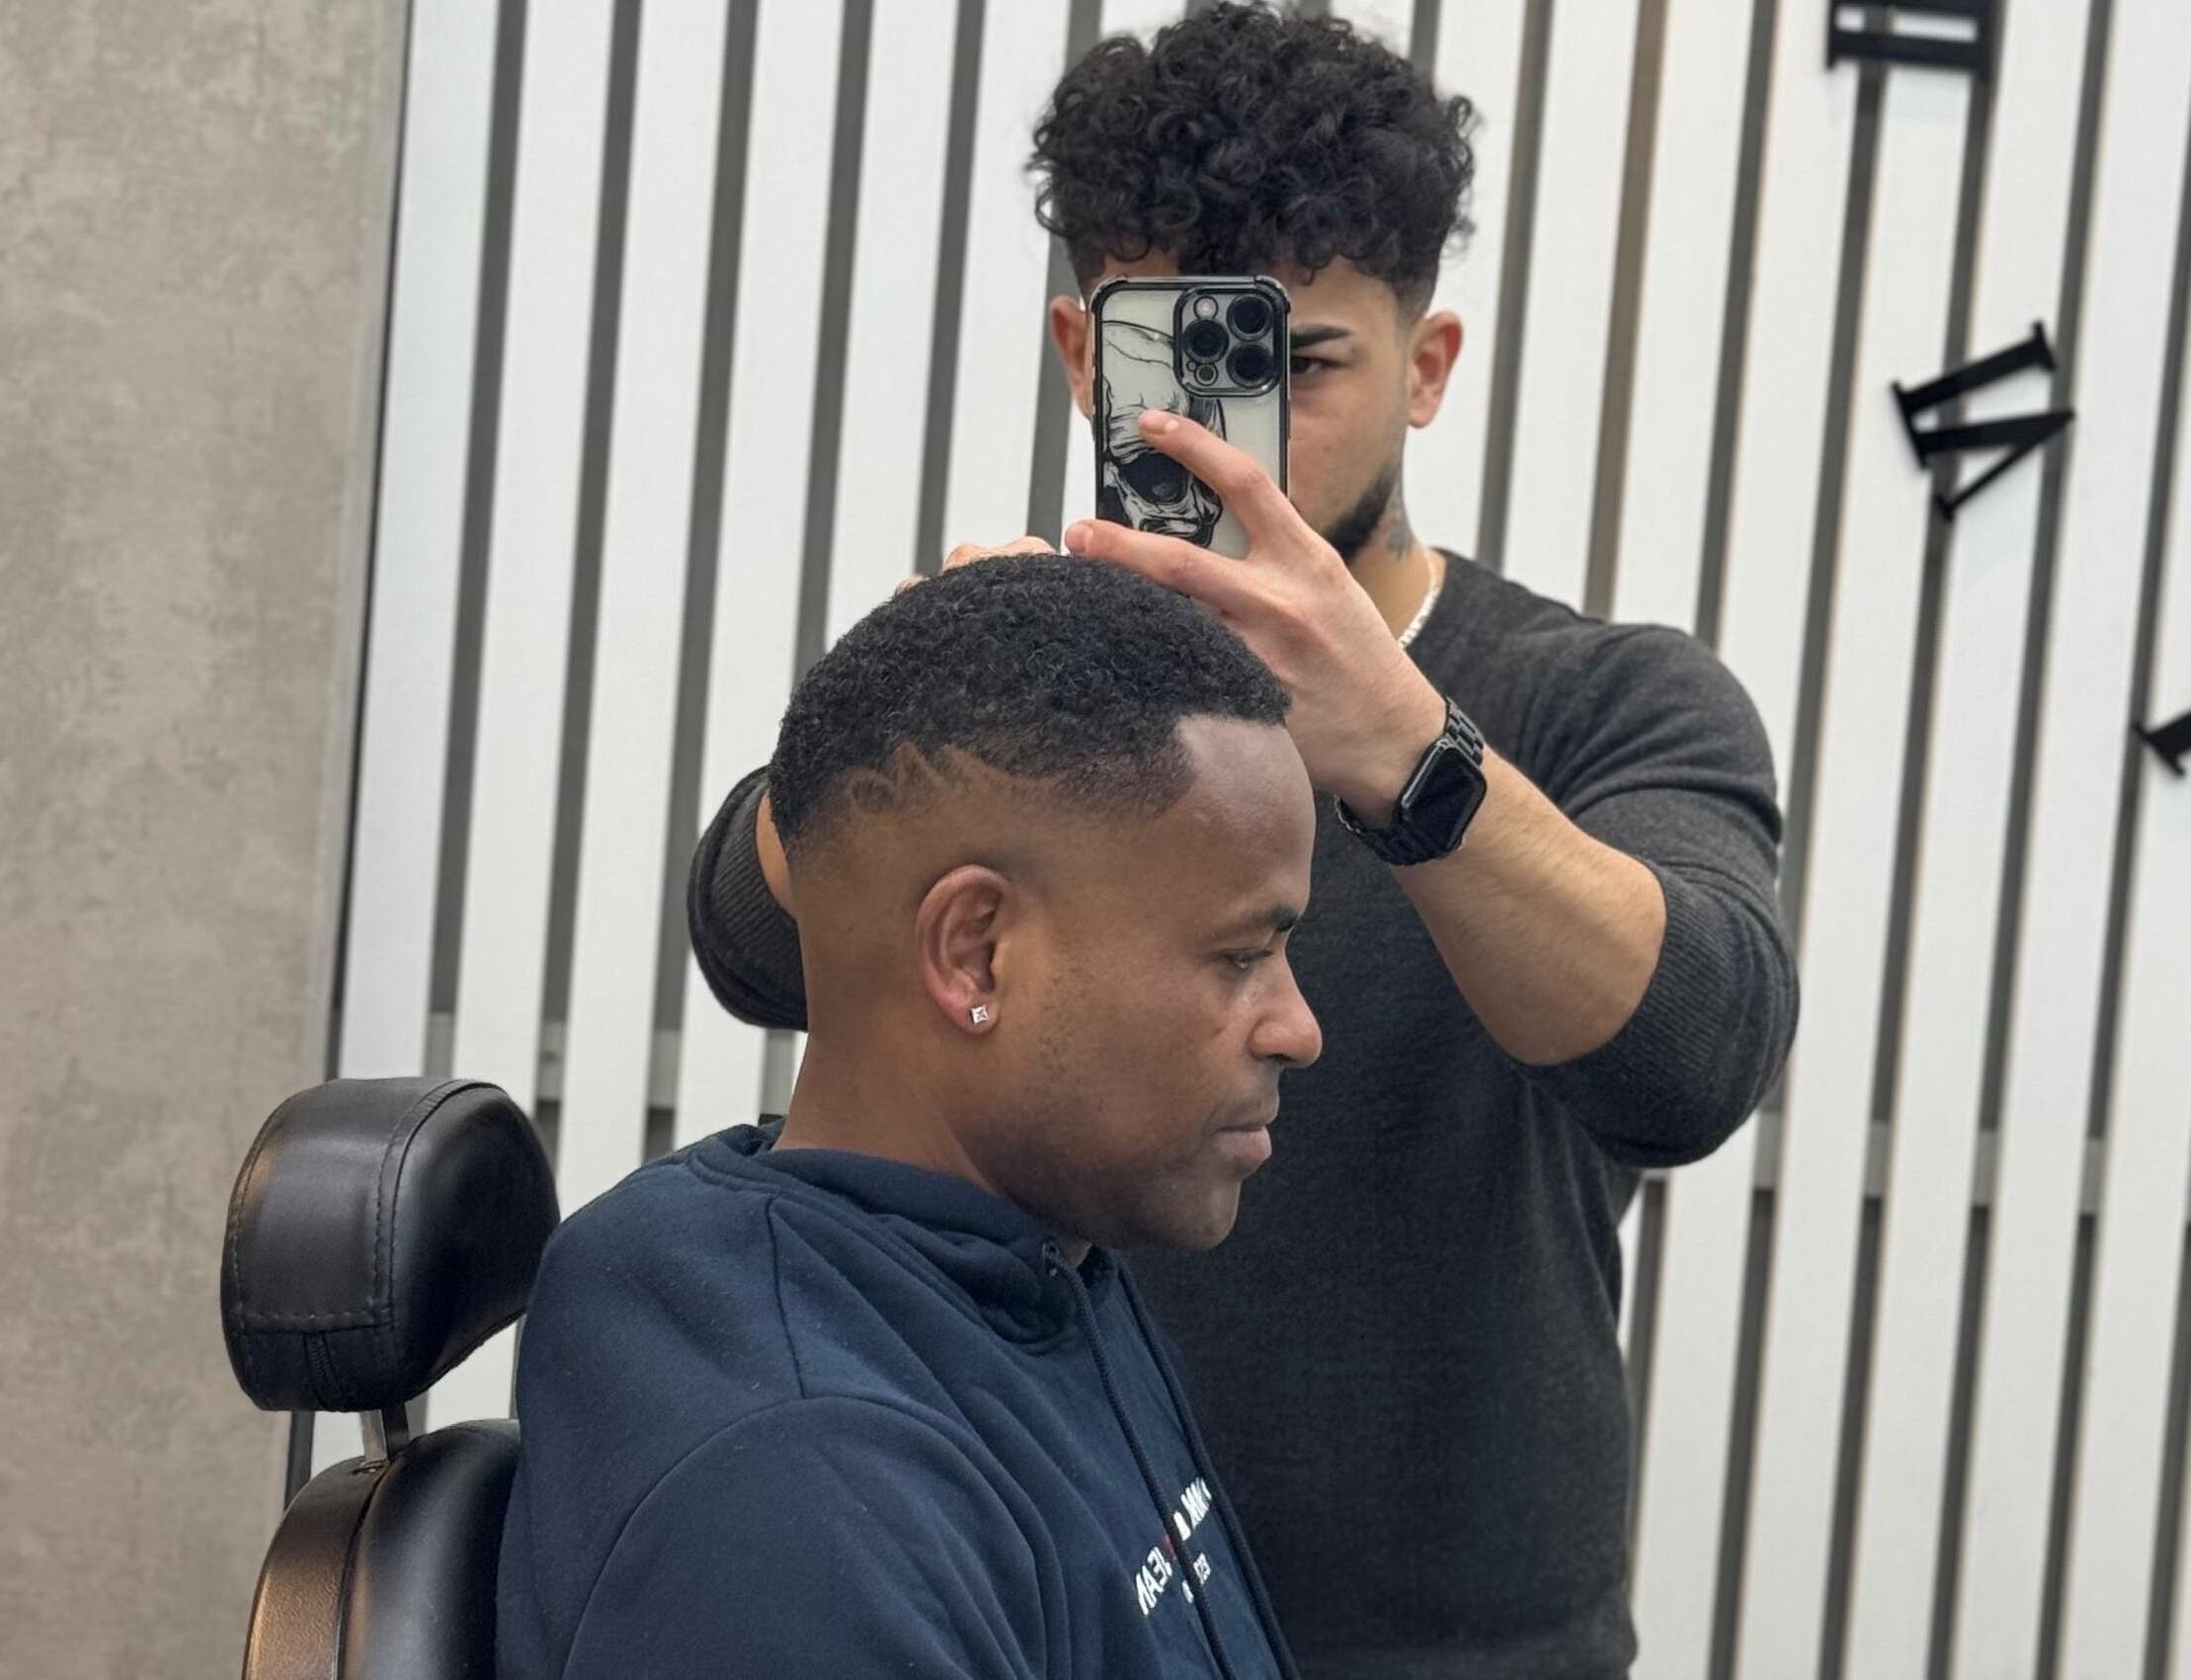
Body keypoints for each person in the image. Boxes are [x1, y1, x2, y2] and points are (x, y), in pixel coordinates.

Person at [690, 8, 1800, 1675]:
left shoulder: (1598, 699)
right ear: (1084, 356)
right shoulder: (1015, 696)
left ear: (1427, 365)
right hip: (1035, 1607)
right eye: (1190, 364)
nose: (1241, 431)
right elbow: (749, 942)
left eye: (1312, 365)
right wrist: (899, 727)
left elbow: (1697, 1050)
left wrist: (1411, 756)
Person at [499, 557, 1321, 1678]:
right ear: (975, 952)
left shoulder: (1037, 1262)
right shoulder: (801, 1505)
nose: (1296, 1027)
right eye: (1241, 955)